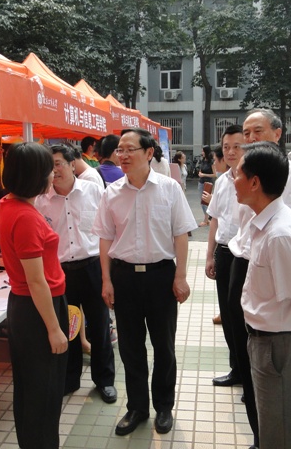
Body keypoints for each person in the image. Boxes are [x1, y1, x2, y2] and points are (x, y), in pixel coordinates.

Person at [227, 108, 291, 449]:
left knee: (281, 434)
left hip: (280, 347)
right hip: (265, 342)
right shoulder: (264, 223)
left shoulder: (280, 234)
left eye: (238, 174)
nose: (232, 179)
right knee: (273, 428)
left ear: (255, 182)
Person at [93, 128, 197, 436]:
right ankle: (137, 407)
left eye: (130, 149)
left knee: (164, 345)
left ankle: (164, 406)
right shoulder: (111, 192)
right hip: (124, 277)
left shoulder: (169, 188)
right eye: (120, 150)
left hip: (161, 276)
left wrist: (180, 276)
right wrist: (106, 280)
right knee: (130, 347)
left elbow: (181, 234)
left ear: (149, 153)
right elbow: (105, 239)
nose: (123, 155)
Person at [0, 142, 68, 449]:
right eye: (48, 169)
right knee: (44, 392)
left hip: (27, 306)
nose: (53, 174)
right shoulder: (25, 216)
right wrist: (53, 328)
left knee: (31, 388)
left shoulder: (8, 204)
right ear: (34, 176)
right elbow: (36, 281)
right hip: (38, 309)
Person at [35, 144, 117, 403]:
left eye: (58, 164)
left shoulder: (94, 190)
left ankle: (104, 381)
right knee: (67, 328)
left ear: (73, 164)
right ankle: (69, 380)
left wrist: (109, 273)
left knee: (100, 327)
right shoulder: (41, 200)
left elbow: (108, 231)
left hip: (92, 267)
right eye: (50, 166)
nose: (54, 170)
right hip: (60, 272)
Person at [205, 125, 245, 387]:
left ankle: (250, 375)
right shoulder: (221, 181)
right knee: (228, 315)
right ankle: (237, 369)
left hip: (246, 257)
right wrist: (210, 256)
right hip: (224, 252)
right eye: (226, 147)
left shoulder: (255, 179)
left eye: (236, 147)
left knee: (244, 316)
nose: (230, 152)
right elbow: (214, 220)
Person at [198, 144, 216, 226]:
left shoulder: (211, 162)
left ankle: (206, 219)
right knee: (202, 201)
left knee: (205, 201)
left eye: (203, 151)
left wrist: (204, 175)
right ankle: (207, 218)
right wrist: (200, 173)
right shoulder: (203, 160)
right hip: (201, 182)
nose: (202, 153)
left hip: (208, 183)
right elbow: (201, 170)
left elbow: (214, 174)